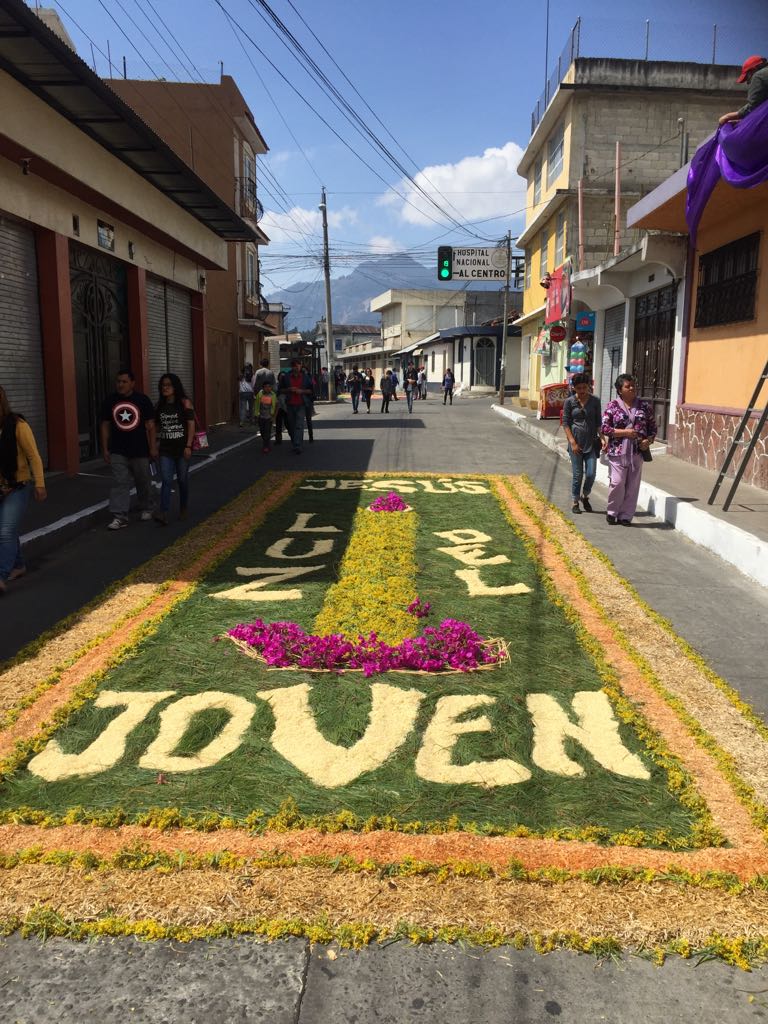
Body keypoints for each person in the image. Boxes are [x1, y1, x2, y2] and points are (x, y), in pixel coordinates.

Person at [0, 385, 46, 593]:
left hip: (18, 485)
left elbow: (33, 456)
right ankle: (18, 565)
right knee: (7, 530)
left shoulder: (18, 425)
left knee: (6, 531)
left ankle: (1, 575)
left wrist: (39, 484)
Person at [100, 369, 156, 530]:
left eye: (124, 381)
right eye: (118, 381)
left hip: (140, 450)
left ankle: (147, 507)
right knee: (120, 482)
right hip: (118, 450)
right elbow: (104, 425)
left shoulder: (142, 400)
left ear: (132, 383)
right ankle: (120, 516)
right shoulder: (109, 401)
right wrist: (105, 448)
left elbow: (151, 426)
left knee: (143, 480)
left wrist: (153, 448)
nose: (120, 384)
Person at [601, 373, 657, 527]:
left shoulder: (645, 406)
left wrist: (648, 440)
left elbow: (653, 428)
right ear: (620, 390)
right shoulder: (612, 406)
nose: (632, 388)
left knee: (633, 485)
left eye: (633, 385)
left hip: (637, 452)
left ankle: (626, 515)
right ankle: (612, 512)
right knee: (617, 483)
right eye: (628, 386)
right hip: (617, 452)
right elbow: (605, 428)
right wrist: (624, 433)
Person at [153, 373, 195, 525]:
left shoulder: (185, 403)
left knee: (182, 480)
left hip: (182, 449)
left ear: (175, 387)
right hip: (165, 450)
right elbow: (155, 427)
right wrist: (154, 443)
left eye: (168, 385)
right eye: (163, 385)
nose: (165, 388)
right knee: (166, 480)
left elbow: (191, 425)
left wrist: (188, 445)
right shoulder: (159, 406)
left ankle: (183, 506)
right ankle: (163, 512)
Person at [562, 373, 602, 515]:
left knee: (591, 473)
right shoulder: (569, 402)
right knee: (577, 474)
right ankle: (575, 501)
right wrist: (572, 442)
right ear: (574, 388)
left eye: (584, 387)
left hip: (591, 443)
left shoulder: (595, 401)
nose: (582, 391)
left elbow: (598, 423)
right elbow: (566, 423)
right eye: (579, 388)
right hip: (576, 444)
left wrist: (603, 438)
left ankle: (585, 496)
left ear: (589, 386)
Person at [719, 56, 768, 125]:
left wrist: (727, 116)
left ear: (753, 70)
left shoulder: (758, 76)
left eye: (747, 77)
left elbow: (753, 107)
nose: (748, 82)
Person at [279, 359, 313, 453]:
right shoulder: (286, 377)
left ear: (300, 366)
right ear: (292, 367)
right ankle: (295, 442)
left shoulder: (306, 378)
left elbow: (311, 391)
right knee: (292, 425)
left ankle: (297, 445)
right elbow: (280, 390)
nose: (297, 367)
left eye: (298, 365)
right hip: (290, 404)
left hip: (301, 404)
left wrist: (302, 391)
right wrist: (289, 389)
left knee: (299, 425)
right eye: (295, 366)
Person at [254, 378, 277, 453]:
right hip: (261, 416)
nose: (268, 388)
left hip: (269, 417)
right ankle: (266, 443)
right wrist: (256, 415)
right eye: (266, 387)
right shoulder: (260, 394)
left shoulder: (273, 395)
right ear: (263, 388)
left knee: (267, 432)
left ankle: (266, 446)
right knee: (262, 432)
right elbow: (256, 404)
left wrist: (273, 417)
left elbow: (277, 405)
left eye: (269, 387)